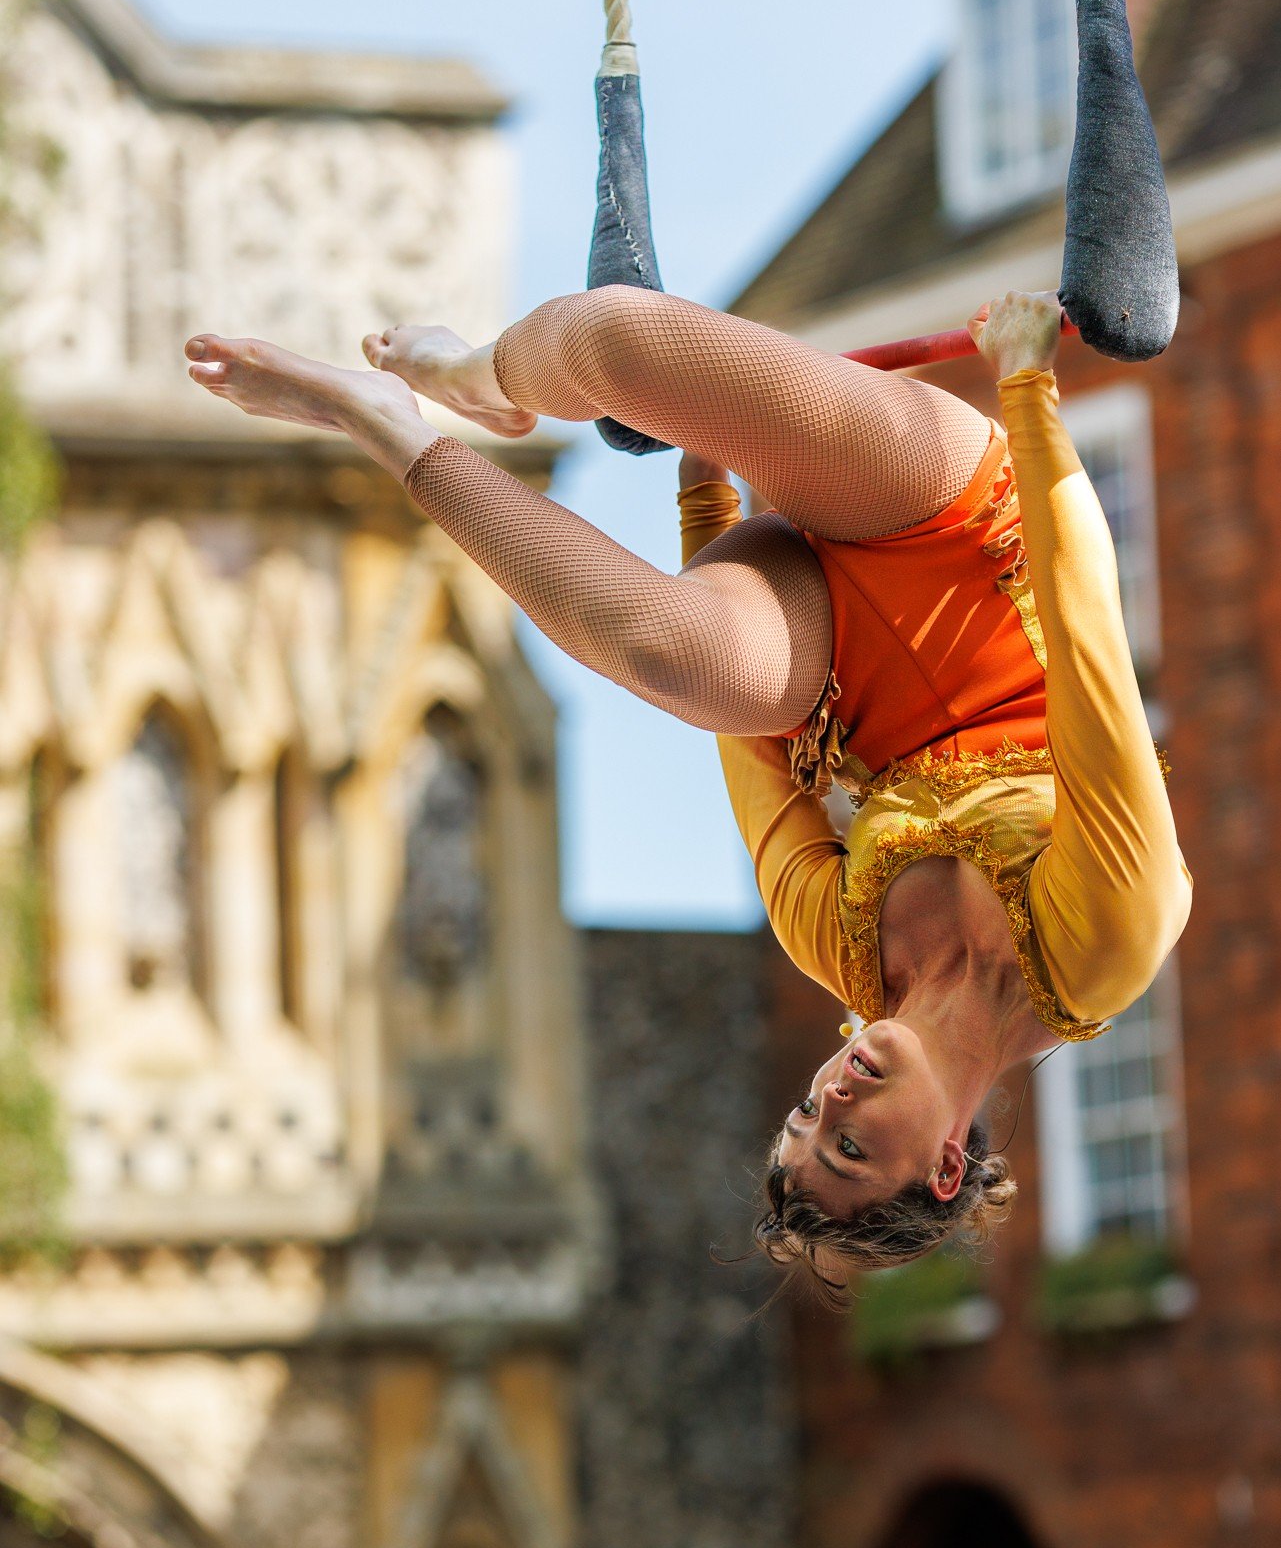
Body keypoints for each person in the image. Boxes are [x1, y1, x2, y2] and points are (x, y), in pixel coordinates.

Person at [184, 283, 1192, 1285]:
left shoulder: (838, 945)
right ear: (941, 1165)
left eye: (805, 1117)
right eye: (850, 1145)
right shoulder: (1101, 943)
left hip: (822, 645)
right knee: (619, 341)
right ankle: (472, 373)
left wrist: (704, 496)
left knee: (670, 662)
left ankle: (387, 426)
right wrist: (1027, 393)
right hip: (970, 537)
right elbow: (1092, 644)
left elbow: (752, 750)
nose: (830, 1101)